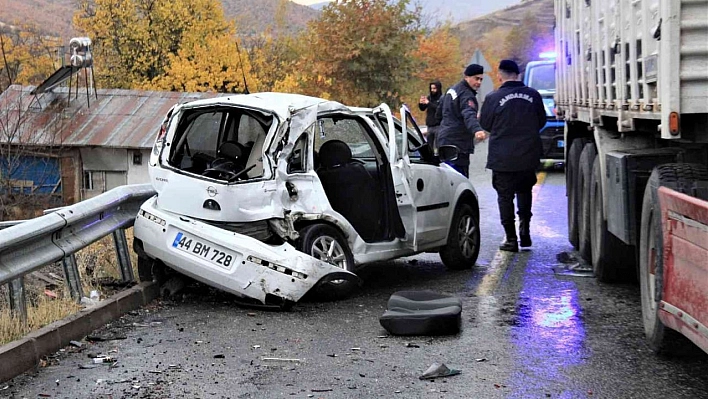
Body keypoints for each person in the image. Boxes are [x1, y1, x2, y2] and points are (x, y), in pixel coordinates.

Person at [479, 59, 546, 252]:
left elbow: (485, 124)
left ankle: (510, 238)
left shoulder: (493, 98)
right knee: (525, 191)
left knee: (505, 196)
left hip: (503, 156)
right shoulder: (533, 95)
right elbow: (540, 120)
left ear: (500, 76)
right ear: (518, 75)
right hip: (527, 154)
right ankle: (525, 231)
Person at [436, 64, 487, 178]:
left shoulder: (451, 90)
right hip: (458, 145)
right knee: (460, 182)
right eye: (476, 78)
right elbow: (468, 113)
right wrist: (477, 130)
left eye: (481, 79)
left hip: (444, 141)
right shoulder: (467, 95)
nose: (478, 82)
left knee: (446, 179)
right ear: (467, 77)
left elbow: (438, 114)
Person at [418, 80, 443, 152]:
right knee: (429, 146)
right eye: (431, 88)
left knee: (439, 146)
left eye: (434, 88)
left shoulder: (442, 98)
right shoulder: (429, 98)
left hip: (439, 126)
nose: (432, 90)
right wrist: (421, 103)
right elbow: (422, 108)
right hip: (430, 126)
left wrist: (429, 103)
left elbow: (439, 109)